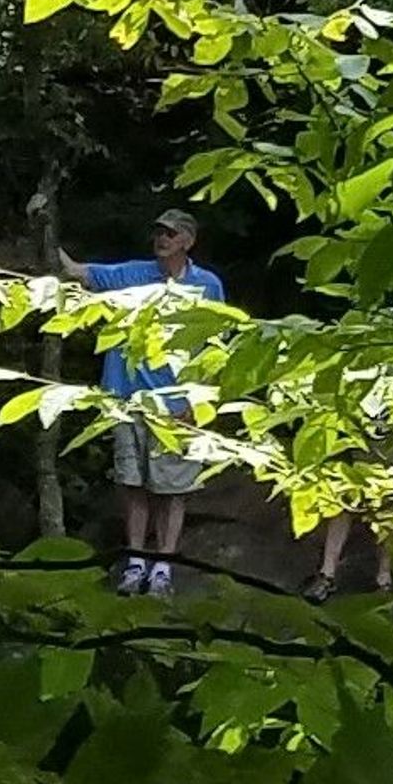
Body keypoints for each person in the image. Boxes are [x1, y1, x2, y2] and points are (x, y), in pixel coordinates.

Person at [81, 202, 223, 592]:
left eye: (171, 233)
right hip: (127, 400)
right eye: (159, 232)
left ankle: (163, 565)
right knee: (133, 482)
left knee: (172, 488)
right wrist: (41, 226)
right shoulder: (133, 275)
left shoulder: (207, 285)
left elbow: (214, 347)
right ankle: (136, 560)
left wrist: (198, 403)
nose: (162, 239)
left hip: (176, 400)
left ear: (188, 242)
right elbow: (79, 273)